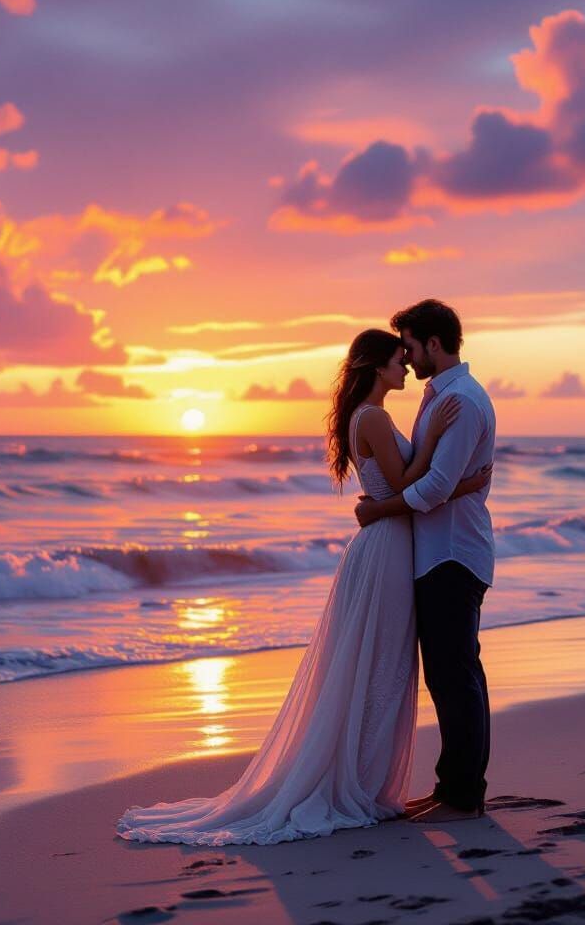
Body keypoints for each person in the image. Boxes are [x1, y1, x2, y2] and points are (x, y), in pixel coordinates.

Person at [116, 328, 490, 845]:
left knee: (380, 664)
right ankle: (359, 783)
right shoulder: (375, 417)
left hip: (388, 544)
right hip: (384, 549)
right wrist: (451, 466)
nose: (405, 366)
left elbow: (400, 484)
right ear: (376, 367)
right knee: (378, 664)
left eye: (408, 356)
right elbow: (407, 485)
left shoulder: (370, 414)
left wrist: (430, 460)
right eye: (397, 360)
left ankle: (370, 780)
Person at [356, 300, 496, 823]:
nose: (409, 359)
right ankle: (454, 789)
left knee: (454, 674)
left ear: (434, 344)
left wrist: (377, 511)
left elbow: (435, 486)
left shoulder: (461, 401)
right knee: (452, 673)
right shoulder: (442, 397)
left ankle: (461, 796)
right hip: (438, 552)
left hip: (452, 554)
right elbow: (425, 471)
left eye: (412, 347)